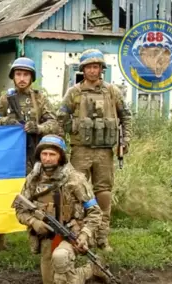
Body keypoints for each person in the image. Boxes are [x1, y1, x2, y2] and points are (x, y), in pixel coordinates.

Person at [13, 135, 108, 284]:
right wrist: (34, 221)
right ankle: (90, 270)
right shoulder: (33, 179)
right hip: (48, 237)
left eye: (52, 154)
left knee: (61, 257)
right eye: (44, 154)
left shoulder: (75, 179)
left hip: (73, 232)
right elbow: (20, 209)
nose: (47, 158)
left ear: (60, 157)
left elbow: (95, 212)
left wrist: (84, 235)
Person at [56, 49, 133, 253]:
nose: (93, 70)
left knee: (104, 193)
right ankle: (79, 235)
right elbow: (60, 118)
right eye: (89, 67)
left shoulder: (112, 92)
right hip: (81, 150)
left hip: (104, 152)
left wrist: (125, 140)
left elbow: (126, 116)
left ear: (101, 69)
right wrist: (66, 137)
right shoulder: (74, 93)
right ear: (83, 69)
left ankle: (102, 237)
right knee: (77, 192)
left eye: (96, 66)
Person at [0, 57, 61, 252]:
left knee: (36, 196)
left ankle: (36, 235)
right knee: (4, 193)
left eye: (25, 74)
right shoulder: (5, 99)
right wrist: (7, 122)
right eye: (18, 74)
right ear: (13, 77)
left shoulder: (39, 98)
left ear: (31, 77)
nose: (21, 78)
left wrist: (38, 128)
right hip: (10, 156)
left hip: (33, 155)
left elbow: (54, 124)